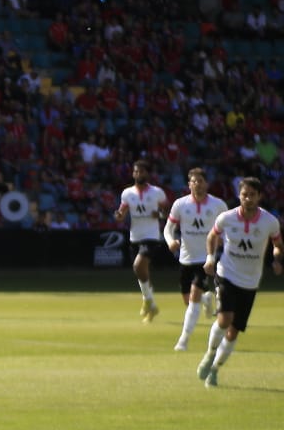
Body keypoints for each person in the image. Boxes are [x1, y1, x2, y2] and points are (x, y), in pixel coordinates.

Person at [197, 177, 283, 388]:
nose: (248, 198)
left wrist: (277, 259)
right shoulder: (226, 218)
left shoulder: (270, 222)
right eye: (244, 194)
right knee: (225, 319)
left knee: (234, 331)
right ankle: (210, 352)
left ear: (259, 197)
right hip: (227, 274)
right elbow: (211, 237)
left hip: (251, 282)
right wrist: (210, 258)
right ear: (239, 195)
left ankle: (215, 370)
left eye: (252, 195)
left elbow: (278, 244)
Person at [164, 167, 228, 352]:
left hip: (207, 258)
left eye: (201, 181)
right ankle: (207, 299)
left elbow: (228, 229)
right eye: (194, 181)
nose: (197, 184)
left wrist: (224, 248)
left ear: (206, 183)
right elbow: (168, 228)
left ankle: (183, 341)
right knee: (189, 300)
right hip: (185, 258)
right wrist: (170, 241)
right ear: (189, 184)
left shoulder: (218, 205)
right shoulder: (180, 204)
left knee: (193, 297)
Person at [114, 159, 169, 322]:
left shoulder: (157, 192)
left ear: (147, 173)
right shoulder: (127, 193)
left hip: (151, 235)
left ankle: (147, 301)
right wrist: (118, 216)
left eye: (141, 171)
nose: (138, 174)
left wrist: (158, 215)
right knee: (141, 272)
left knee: (138, 265)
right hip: (134, 236)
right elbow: (121, 213)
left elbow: (167, 212)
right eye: (136, 171)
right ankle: (150, 304)